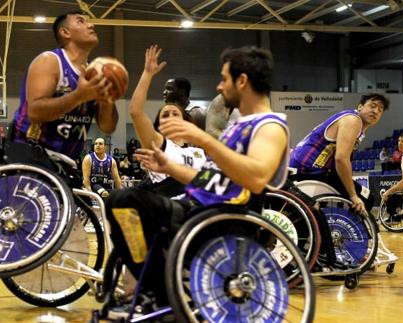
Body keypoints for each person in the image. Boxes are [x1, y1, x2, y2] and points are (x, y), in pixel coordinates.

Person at [105, 46, 289, 314]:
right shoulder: (238, 127)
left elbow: (257, 177)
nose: (219, 86)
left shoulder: (270, 126)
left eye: (224, 79)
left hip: (226, 216)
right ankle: (157, 292)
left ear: (242, 81)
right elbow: (209, 178)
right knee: (120, 202)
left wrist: (202, 139)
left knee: (125, 200)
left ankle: (157, 295)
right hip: (199, 207)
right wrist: (169, 166)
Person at [7, 10, 118, 182]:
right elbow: (35, 111)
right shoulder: (50, 61)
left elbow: (107, 126)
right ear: (65, 32)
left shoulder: (93, 75)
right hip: (29, 150)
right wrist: (79, 96)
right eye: (81, 21)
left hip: (65, 161)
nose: (91, 25)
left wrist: (107, 100)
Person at [289, 93, 389, 214]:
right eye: (372, 106)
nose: (376, 111)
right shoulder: (353, 120)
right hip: (309, 170)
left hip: (309, 168)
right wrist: (353, 195)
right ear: (360, 107)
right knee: (365, 199)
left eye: (380, 109)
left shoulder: (351, 120)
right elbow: (341, 159)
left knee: (363, 194)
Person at [129, 45, 206, 197]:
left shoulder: (198, 152)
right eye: (165, 115)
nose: (170, 117)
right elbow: (135, 112)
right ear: (159, 125)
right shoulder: (159, 144)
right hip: (168, 205)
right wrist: (147, 73)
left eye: (175, 114)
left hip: (197, 208)